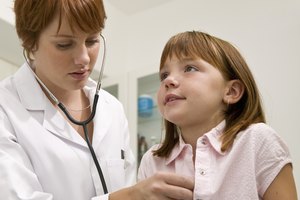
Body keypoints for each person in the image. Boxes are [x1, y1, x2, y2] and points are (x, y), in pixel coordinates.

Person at [0, 1, 194, 200]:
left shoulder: (112, 109)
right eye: (64, 44)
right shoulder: (5, 107)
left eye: (92, 40)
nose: (84, 58)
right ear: (30, 43)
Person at [138, 31, 298, 199]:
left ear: (231, 91)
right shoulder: (152, 160)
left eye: (189, 68)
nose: (168, 81)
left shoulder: (258, 140)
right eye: (164, 75)